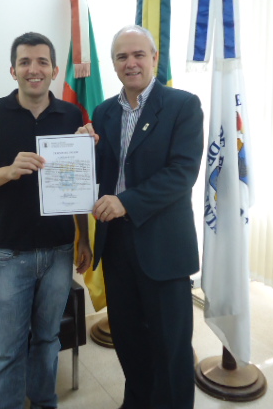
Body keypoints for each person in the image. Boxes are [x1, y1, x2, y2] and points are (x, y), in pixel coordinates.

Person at [0, 32, 92, 409]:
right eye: (25, 62)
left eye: (42, 62)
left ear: (54, 70)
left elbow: (76, 184)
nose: (34, 69)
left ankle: (45, 402)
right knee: (9, 350)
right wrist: (8, 170)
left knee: (48, 340)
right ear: (13, 70)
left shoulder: (71, 115)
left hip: (60, 250)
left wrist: (83, 237)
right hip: (10, 254)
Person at [80, 25, 204, 409]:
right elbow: (104, 172)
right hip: (116, 245)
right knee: (129, 339)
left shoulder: (183, 105)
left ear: (154, 58)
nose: (130, 63)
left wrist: (127, 202)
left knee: (170, 346)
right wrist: (82, 149)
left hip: (163, 247)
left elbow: (182, 173)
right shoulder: (103, 112)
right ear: (114, 64)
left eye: (138, 54)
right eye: (122, 56)